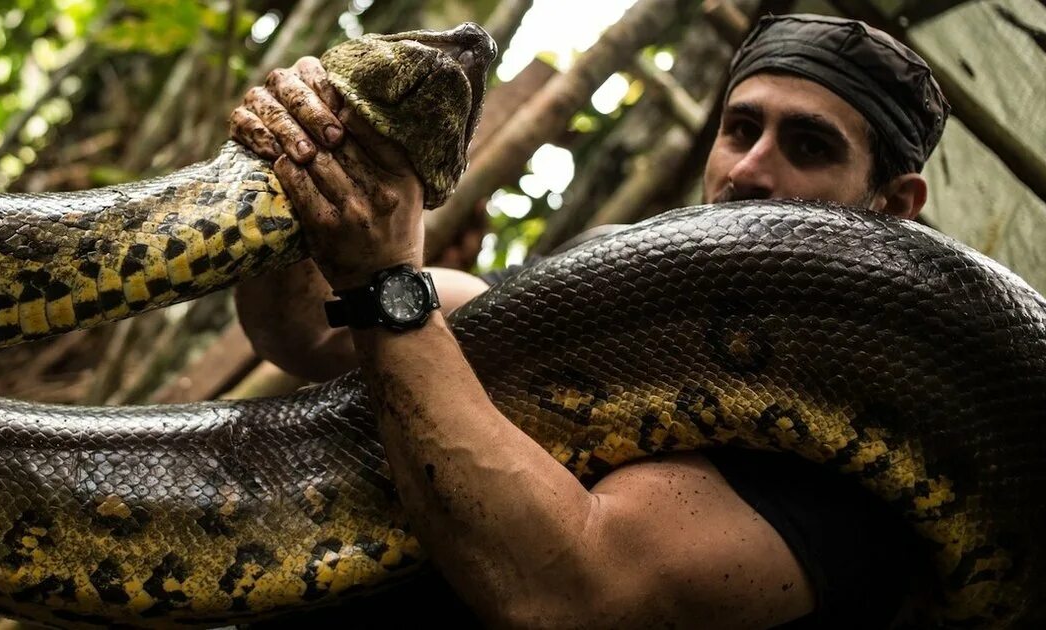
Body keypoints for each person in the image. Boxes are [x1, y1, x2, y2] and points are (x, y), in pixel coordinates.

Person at [229, 14, 950, 629]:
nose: (750, 170)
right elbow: (308, 331)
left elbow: (568, 596)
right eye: (740, 129)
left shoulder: (874, 470)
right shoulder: (605, 298)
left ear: (893, 205)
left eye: (810, 147)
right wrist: (303, 164)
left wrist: (385, 287)